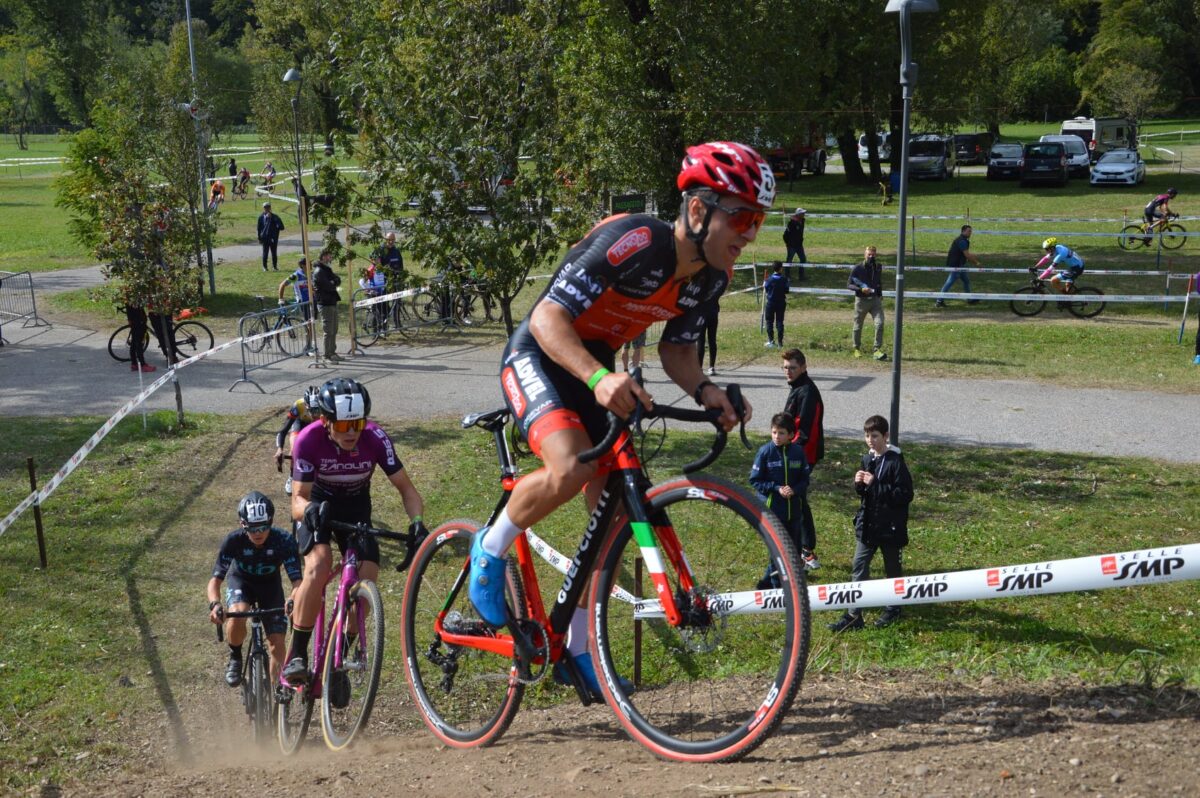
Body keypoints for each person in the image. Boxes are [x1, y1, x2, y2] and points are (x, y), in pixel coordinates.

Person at [469, 140, 769, 698]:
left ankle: (578, 647)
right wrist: (598, 378)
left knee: (608, 526)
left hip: (597, 368)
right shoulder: (636, 241)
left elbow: (677, 353)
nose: (750, 234)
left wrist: (705, 390)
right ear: (699, 211)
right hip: (542, 351)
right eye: (743, 217)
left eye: (758, 222)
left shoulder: (709, 279)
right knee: (570, 466)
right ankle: (490, 547)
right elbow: (548, 318)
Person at [282, 378, 427, 685]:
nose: (353, 433)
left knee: (368, 574)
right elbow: (297, 499)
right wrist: (309, 511)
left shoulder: (375, 438)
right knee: (319, 564)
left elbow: (407, 489)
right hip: (317, 504)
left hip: (356, 505)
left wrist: (416, 524)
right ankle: (297, 652)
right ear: (325, 420)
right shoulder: (308, 439)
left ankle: (342, 658)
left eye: (358, 423)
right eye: (344, 425)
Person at [206, 491, 303, 686]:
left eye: (263, 527)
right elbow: (215, 581)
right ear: (243, 525)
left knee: (277, 645)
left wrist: (293, 598)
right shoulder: (233, 541)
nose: (258, 533)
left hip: (270, 586)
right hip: (241, 581)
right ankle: (235, 656)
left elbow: (298, 583)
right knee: (238, 613)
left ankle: (278, 690)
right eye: (252, 528)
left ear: (271, 522)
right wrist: (215, 605)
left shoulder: (284, 540)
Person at [828, 414, 913, 632]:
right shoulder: (868, 460)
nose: (870, 440)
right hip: (868, 526)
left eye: (874, 436)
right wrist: (859, 486)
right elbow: (867, 495)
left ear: (885, 436)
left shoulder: (896, 462)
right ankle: (854, 615)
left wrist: (875, 484)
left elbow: (904, 495)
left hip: (890, 528)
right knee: (859, 567)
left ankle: (894, 608)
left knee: (892, 569)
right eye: (867, 436)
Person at [749, 413, 812, 586]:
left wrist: (795, 490)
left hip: (794, 511)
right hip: (773, 511)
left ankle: (781, 581)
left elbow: (805, 479)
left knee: (794, 548)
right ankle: (777, 587)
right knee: (778, 549)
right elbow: (755, 480)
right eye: (774, 432)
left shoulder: (798, 453)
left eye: (782, 433)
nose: (777, 437)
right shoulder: (765, 452)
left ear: (791, 435)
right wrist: (776, 489)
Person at [780, 348, 823, 568]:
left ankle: (806, 552)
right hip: (796, 453)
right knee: (797, 499)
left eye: (793, 368)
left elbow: (806, 431)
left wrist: (790, 454)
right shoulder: (797, 387)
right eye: (785, 368)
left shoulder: (807, 392)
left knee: (797, 500)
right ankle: (804, 550)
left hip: (804, 456)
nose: (788, 371)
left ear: (804, 367)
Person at [273, 385, 322, 486]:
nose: (315, 415)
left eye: (318, 411)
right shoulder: (298, 406)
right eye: (312, 411)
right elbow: (282, 431)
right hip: (300, 423)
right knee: (296, 447)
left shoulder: (328, 404)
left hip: (320, 423)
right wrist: (279, 449)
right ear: (306, 405)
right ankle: (292, 476)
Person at [848, 245, 886, 360]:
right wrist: (860, 289)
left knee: (879, 323)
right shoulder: (858, 268)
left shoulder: (878, 267)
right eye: (869, 254)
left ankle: (877, 350)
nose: (871, 256)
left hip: (875, 301)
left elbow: (878, 281)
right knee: (858, 325)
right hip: (861, 301)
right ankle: (856, 349)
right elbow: (849, 284)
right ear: (865, 255)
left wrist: (880, 294)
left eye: (873, 255)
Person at [935, 224, 982, 307]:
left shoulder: (962, 240)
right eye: (969, 231)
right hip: (956, 266)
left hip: (960, 265)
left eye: (971, 231)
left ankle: (969, 299)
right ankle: (939, 301)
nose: (970, 233)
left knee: (966, 281)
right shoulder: (962, 241)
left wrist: (973, 257)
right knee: (949, 282)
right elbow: (967, 255)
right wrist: (976, 263)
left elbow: (966, 254)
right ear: (963, 231)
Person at [312, 250, 342, 362]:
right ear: (324, 257)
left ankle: (332, 352)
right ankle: (326, 355)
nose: (331, 258)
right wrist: (333, 283)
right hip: (325, 303)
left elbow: (338, 280)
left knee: (334, 329)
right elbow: (328, 286)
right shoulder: (319, 271)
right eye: (329, 256)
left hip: (332, 301)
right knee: (328, 330)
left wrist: (334, 282)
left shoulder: (327, 269)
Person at [278, 258, 314, 351]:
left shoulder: (311, 274)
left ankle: (309, 346)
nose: (311, 265)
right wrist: (281, 299)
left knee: (311, 324)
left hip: (312, 301)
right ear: (302, 265)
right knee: (309, 324)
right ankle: (308, 347)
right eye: (309, 263)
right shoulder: (296, 275)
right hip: (303, 302)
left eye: (311, 263)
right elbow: (282, 285)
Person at [122, 301, 156, 373]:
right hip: (138, 320)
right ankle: (143, 365)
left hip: (135, 320)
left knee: (134, 343)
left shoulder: (128, 295)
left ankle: (134, 363)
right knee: (138, 344)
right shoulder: (133, 296)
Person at [763, 261, 789, 348]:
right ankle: (780, 343)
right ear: (781, 268)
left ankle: (771, 341)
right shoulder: (784, 279)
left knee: (769, 321)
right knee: (780, 321)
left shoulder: (769, 279)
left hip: (771, 303)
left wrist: (765, 284)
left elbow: (766, 289)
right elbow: (787, 290)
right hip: (781, 303)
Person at [257, 202, 285, 272]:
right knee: (265, 253)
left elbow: (281, 227)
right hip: (265, 238)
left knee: (274, 253)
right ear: (263, 208)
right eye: (265, 207)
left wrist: (275, 222)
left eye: (268, 207)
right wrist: (259, 238)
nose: (266, 209)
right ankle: (265, 267)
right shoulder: (261, 217)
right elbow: (259, 229)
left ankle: (274, 267)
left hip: (273, 238)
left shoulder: (275, 217)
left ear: (270, 208)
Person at [697, 299, 719, 376]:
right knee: (711, 340)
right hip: (712, 313)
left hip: (701, 314)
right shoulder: (716, 287)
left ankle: (700, 368)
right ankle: (711, 367)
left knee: (701, 342)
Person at [782, 207, 806, 280]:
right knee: (789, 261)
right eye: (802, 213)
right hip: (791, 246)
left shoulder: (802, 221)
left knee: (803, 259)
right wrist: (788, 244)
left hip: (799, 245)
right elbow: (785, 235)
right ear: (798, 214)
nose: (804, 214)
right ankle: (787, 276)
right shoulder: (791, 224)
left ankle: (801, 276)